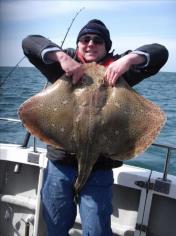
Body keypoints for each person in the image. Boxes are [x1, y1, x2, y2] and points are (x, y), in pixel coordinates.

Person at [22, 19, 168, 236]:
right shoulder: (62, 63)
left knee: (97, 230)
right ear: (78, 43)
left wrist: (128, 59)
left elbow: (160, 53)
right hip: (60, 165)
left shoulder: (121, 69)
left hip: (99, 168)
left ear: (106, 46)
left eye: (97, 40)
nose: (90, 43)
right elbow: (29, 42)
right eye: (85, 39)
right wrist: (62, 57)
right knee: (54, 224)